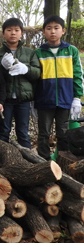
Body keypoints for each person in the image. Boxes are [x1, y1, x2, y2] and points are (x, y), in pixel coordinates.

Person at [35, 15, 84, 160]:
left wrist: (76, 97)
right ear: (44, 32)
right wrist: (33, 99)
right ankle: (43, 162)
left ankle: (63, 160)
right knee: (44, 132)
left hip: (65, 99)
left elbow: (78, 75)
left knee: (63, 132)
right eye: (49, 28)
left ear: (63, 31)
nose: (52, 32)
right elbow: (34, 77)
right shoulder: (38, 52)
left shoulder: (71, 51)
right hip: (45, 100)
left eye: (56, 28)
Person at [0, 18, 41, 148]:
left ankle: (28, 162)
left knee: (23, 132)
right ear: (3, 33)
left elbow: (37, 74)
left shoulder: (30, 53)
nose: (13, 33)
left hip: (23, 99)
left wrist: (26, 69)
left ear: (21, 33)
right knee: (4, 131)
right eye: (9, 30)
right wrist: (2, 68)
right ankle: (0, 160)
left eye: (16, 30)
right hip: (5, 99)